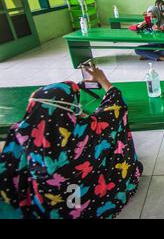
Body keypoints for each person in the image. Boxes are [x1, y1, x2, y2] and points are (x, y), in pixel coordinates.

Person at [0, 64, 143, 218]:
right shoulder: (88, 132)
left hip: (49, 208)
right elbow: (116, 105)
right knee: (111, 141)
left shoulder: (21, 134)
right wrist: (102, 80)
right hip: (88, 199)